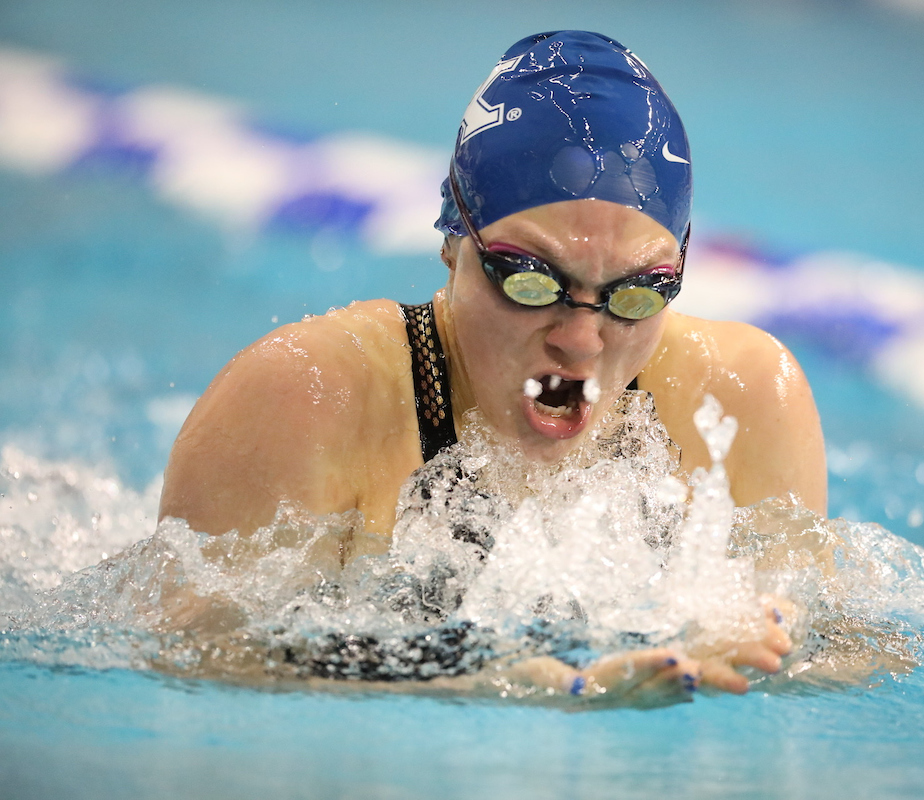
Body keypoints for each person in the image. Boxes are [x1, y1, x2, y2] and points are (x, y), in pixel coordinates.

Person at [158, 31, 827, 703]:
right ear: (455, 243)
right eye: (530, 281)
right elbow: (198, 656)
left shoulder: (743, 397)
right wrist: (470, 681)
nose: (582, 342)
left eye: (636, 293)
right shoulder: (302, 397)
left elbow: (855, 650)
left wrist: (769, 643)